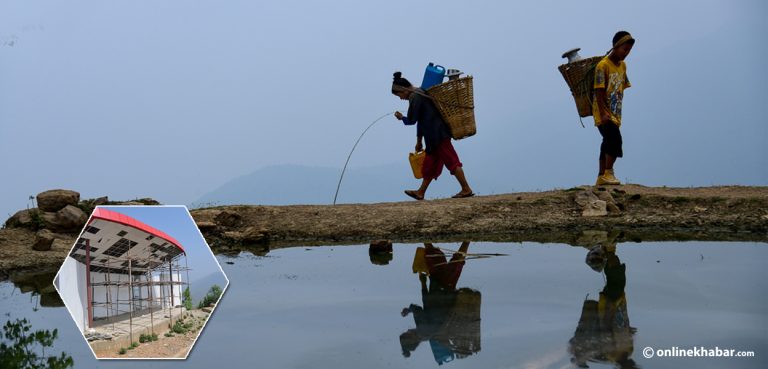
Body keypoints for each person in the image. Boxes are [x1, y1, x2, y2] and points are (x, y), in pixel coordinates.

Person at [391, 72, 474, 200]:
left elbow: (412, 120)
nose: (401, 98)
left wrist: (402, 118)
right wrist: (419, 141)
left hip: (438, 135)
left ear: (403, 90)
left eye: (399, 95)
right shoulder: (420, 93)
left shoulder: (415, 97)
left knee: (452, 161)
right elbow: (421, 121)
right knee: (430, 165)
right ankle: (420, 192)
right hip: (432, 136)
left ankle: (466, 189)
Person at [593, 31, 635, 186]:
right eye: (624, 49)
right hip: (603, 112)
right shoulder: (602, 66)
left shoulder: (622, 66)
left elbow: (622, 86)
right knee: (615, 141)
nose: (626, 53)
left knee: (607, 142)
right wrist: (603, 112)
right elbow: (599, 91)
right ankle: (608, 172)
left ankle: (601, 176)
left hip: (615, 112)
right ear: (616, 47)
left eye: (628, 51)